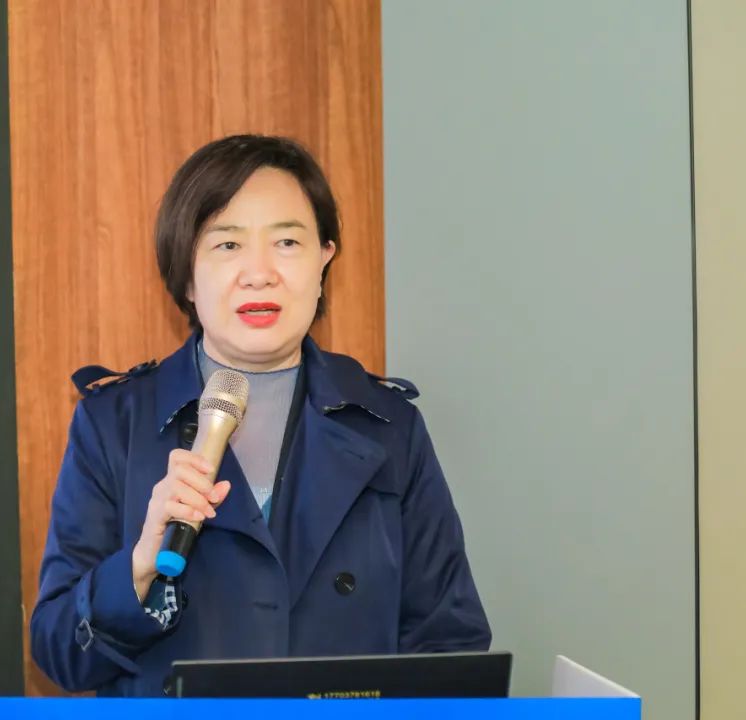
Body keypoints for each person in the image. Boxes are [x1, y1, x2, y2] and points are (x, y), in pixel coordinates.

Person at [30, 135, 491, 696]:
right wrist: (139, 567)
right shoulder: (114, 423)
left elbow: (450, 646)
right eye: (227, 245)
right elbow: (59, 652)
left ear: (324, 259)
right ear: (187, 273)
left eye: (287, 242)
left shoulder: (388, 425)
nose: (259, 272)